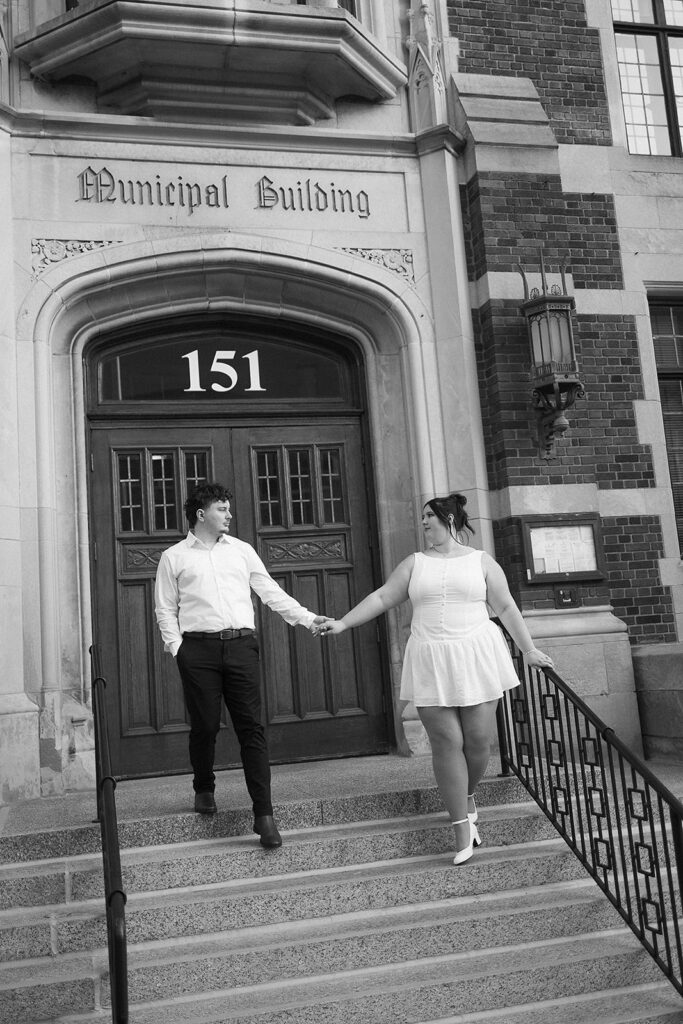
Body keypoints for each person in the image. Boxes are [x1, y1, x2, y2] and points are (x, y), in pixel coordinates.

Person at [320, 492, 553, 865]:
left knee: (478, 743)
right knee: (447, 742)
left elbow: (506, 606)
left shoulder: (482, 561)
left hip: (476, 654)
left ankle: (468, 794)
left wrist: (529, 651)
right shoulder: (414, 563)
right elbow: (382, 597)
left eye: (430, 516)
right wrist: (343, 623)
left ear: (450, 519)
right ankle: (461, 826)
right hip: (430, 657)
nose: (425, 522)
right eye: (422, 517)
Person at [154, 482, 328, 849]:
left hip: (240, 647)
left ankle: (263, 814)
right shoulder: (174, 557)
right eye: (222, 508)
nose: (229, 514)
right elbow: (165, 609)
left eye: (228, 508)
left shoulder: (242, 551)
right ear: (201, 514)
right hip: (197, 651)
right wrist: (178, 649)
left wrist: (308, 618)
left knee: (251, 728)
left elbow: (270, 592)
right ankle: (204, 785)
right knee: (204, 726)